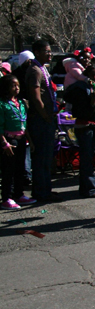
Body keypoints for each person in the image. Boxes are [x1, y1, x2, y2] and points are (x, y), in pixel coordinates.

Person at [25, 40, 62, 203]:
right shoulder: (34, 70)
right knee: (41, 157)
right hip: (40, 120)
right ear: (37, 52)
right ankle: (40, 191)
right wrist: (45, 115)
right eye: (46, 51)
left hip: (48, 118)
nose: (50, 54)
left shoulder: (43, 69)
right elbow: (35, 96)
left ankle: (46, 188)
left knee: (47, 156)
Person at [63, 65, 95, 199]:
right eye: (92, 75)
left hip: (88, 125)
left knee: (88, 158)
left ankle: (86, 188)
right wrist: (94, 95)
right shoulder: (83, 89)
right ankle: (90, 189)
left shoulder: (86, 88)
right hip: (85, 126)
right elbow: (88, 107)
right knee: (87, 158)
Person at [0, 75, 36, 210]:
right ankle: (6, 198)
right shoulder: (2, 104)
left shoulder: (21, 103)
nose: (16, 88)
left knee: (20, 169)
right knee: (8, 170)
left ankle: (18, 194)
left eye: (18, 86)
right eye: (13, 86)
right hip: (9, 140)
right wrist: (4, 143)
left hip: (21, 139)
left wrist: (30, 141)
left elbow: (24, 123)